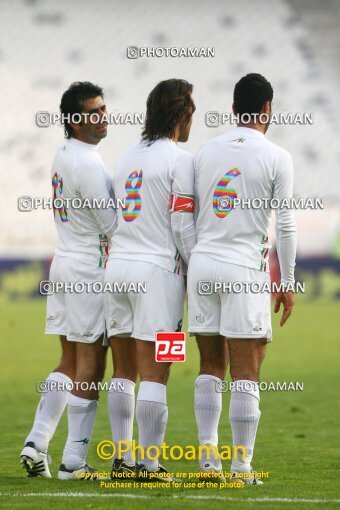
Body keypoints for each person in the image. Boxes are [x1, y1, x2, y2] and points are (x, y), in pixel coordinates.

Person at [188, 73, 297, 485]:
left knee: (210, 365)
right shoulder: (276, 156)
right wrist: (286, 282)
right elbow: (286, 225)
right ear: (268, 108)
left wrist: (188, 264)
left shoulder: (204, 152)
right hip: (242, 269)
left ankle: (207, 462)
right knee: (247, 370)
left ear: (234, 110)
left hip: (203, 264)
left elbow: (186, 214)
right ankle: (242, 467)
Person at [20, 82, 116, 479]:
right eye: (93, 112)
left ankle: (37, 442)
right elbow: (112, 227)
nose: (102, 117)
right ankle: (72, 462)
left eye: (104, 109)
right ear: (75, 122)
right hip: (88, 271)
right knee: (91, 366)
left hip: (64, 263)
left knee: (69, 360)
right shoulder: (89, 164)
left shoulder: (65, 153)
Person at [104, 79, 196, 480]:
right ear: (182, 114)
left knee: (123, 369)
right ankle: (150, 464)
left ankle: (122, 459)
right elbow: (181, 222)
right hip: (160, 274)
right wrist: (197, 271)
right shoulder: (181, 159)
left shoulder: (123, 158)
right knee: (158, 371)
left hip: (118, 270)